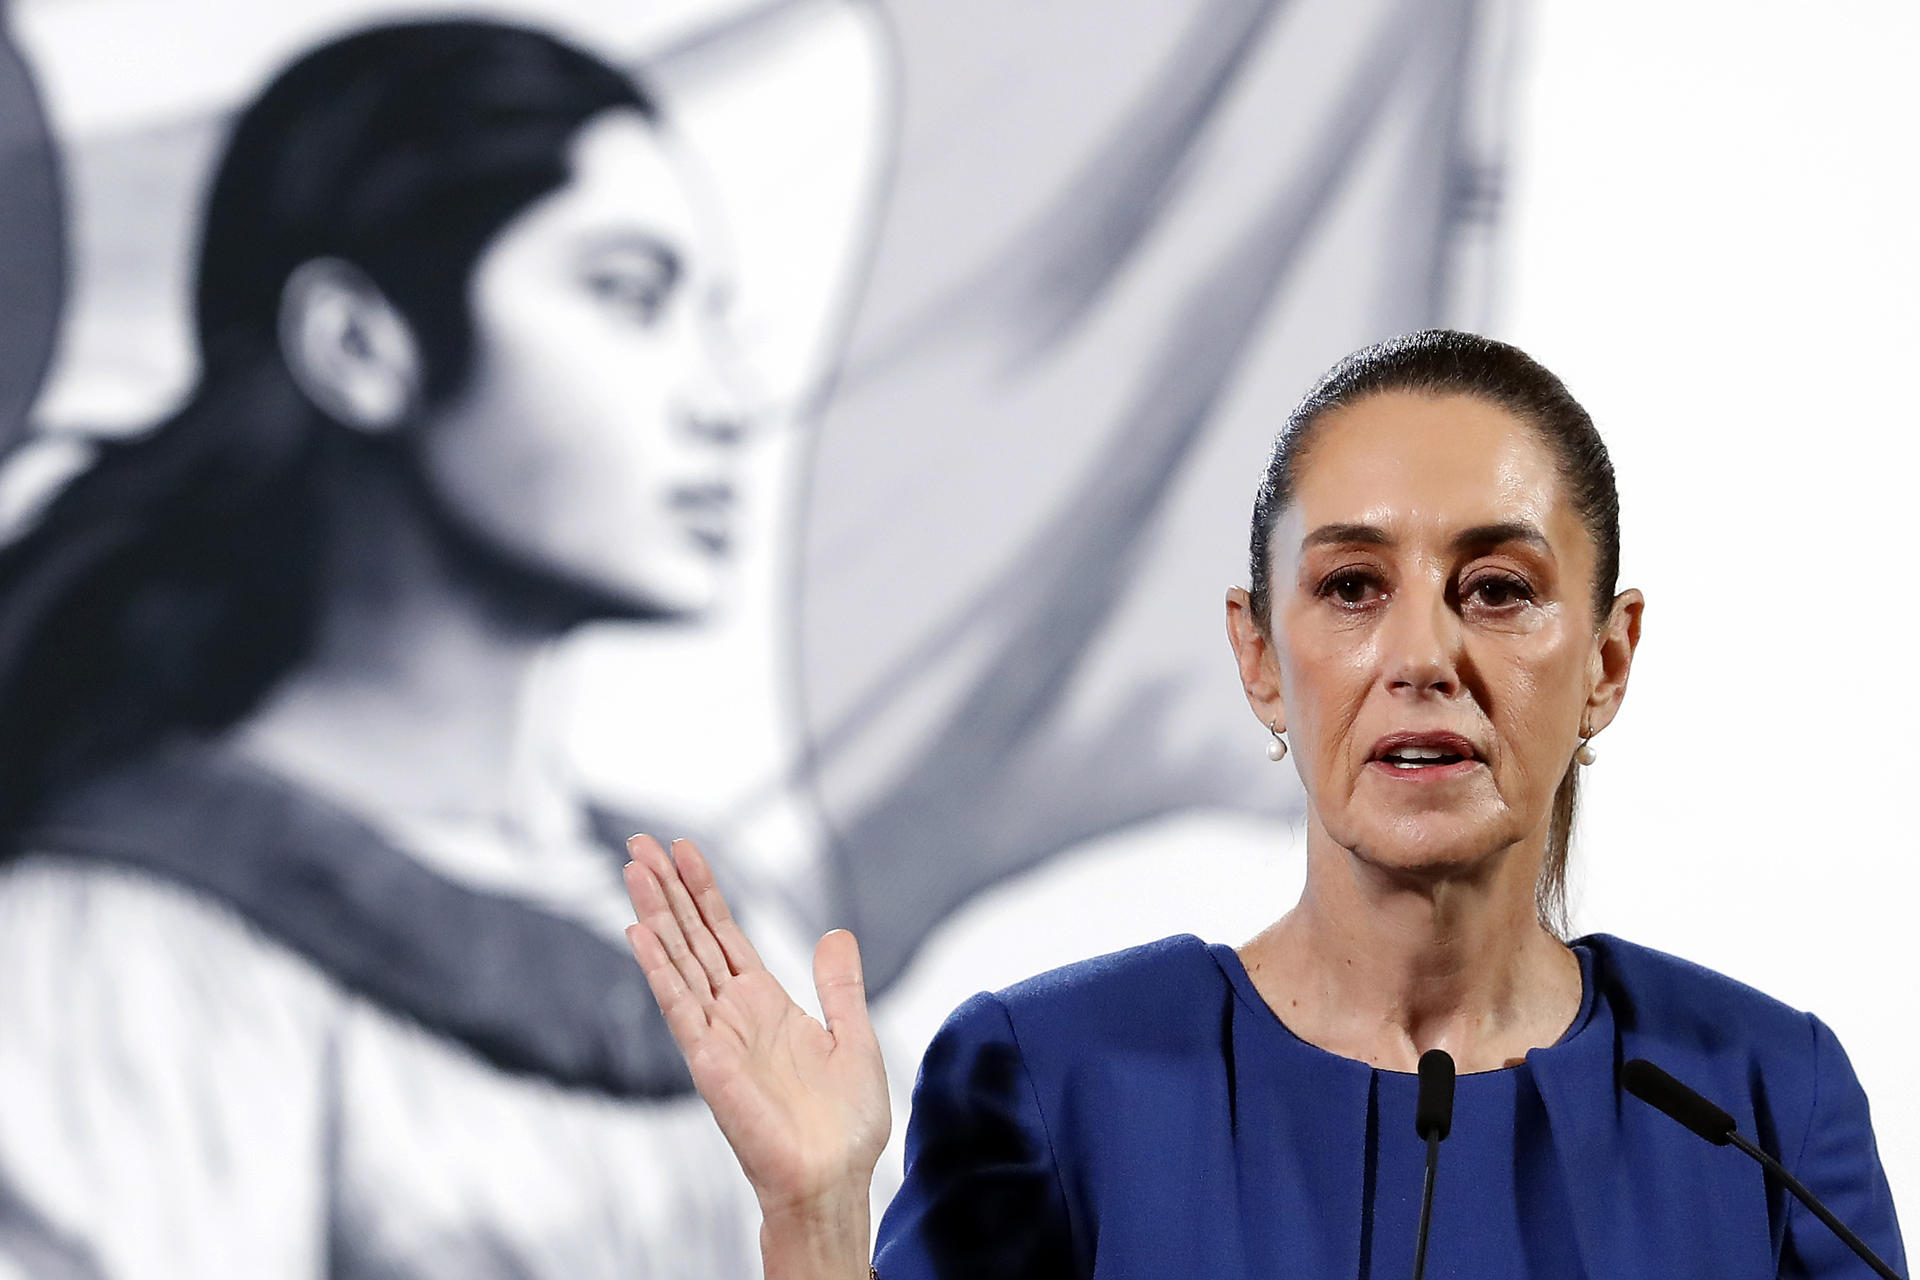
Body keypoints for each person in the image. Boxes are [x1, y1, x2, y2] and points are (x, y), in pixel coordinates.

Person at [625, 330, 1908, 1278]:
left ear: (1608, 662)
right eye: (1352, 585)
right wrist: (813, 1215)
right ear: (1257, 656)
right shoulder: (1052, 1081)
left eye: (1499, 588)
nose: (1422, 654)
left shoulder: (1760, 1099)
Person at [0, 19, 769, 1277]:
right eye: (629, 297)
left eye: (712, 317)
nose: (725, 399)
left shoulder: (742, 917)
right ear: (359, 346)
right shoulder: (115, 956)